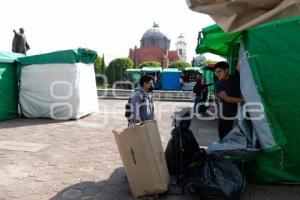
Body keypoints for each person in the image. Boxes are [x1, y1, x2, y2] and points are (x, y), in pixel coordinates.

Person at [214, 61, 244, 139]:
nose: (217, 74)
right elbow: (227, 99)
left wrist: (243, 49)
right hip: (225, 117)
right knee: (224, 140)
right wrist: (244, 100)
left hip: (239, 116)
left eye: (219, 71)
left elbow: (239, 65)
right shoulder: (218, 84)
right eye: (216, 72)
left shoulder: (234, 78)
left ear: (226, 70)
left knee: (237, 139)